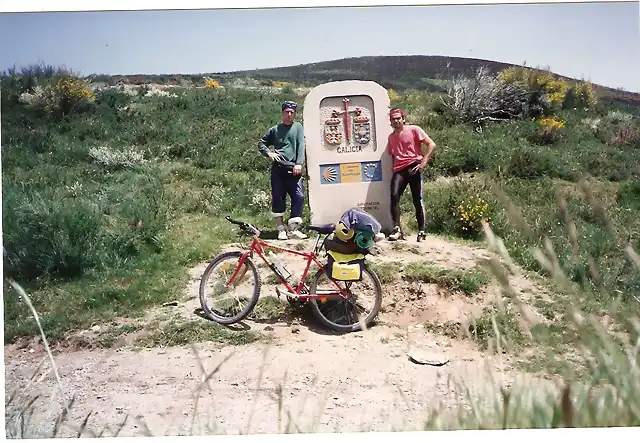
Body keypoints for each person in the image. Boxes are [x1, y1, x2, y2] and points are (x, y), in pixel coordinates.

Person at [258, 100, 308, 240]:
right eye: (287, 112)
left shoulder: (298, 127)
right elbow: (261, 143)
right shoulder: (275, 129)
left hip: (293, 168)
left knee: (298, 197)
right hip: (278, 168)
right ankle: (281, 230)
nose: (289, 115)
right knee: (278, 198)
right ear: (282, 113)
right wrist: (269, 153)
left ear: (295, 114)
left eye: (292, 112)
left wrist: (299, 164)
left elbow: (300, 145)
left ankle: (293, 228)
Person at [385, 107, 436, 242]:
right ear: (390, 122)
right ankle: (396, 229)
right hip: (399, 170)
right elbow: (393, 155)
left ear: (403, 119)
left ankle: (421, 231)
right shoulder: (391, 137)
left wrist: (423, 162)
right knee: (394, 196)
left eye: (398, 118)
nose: (396, 121)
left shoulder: (414, 130)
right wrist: (393, 169)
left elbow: (431, 144)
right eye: (393, 119)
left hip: (413, 166)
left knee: (417, 200)